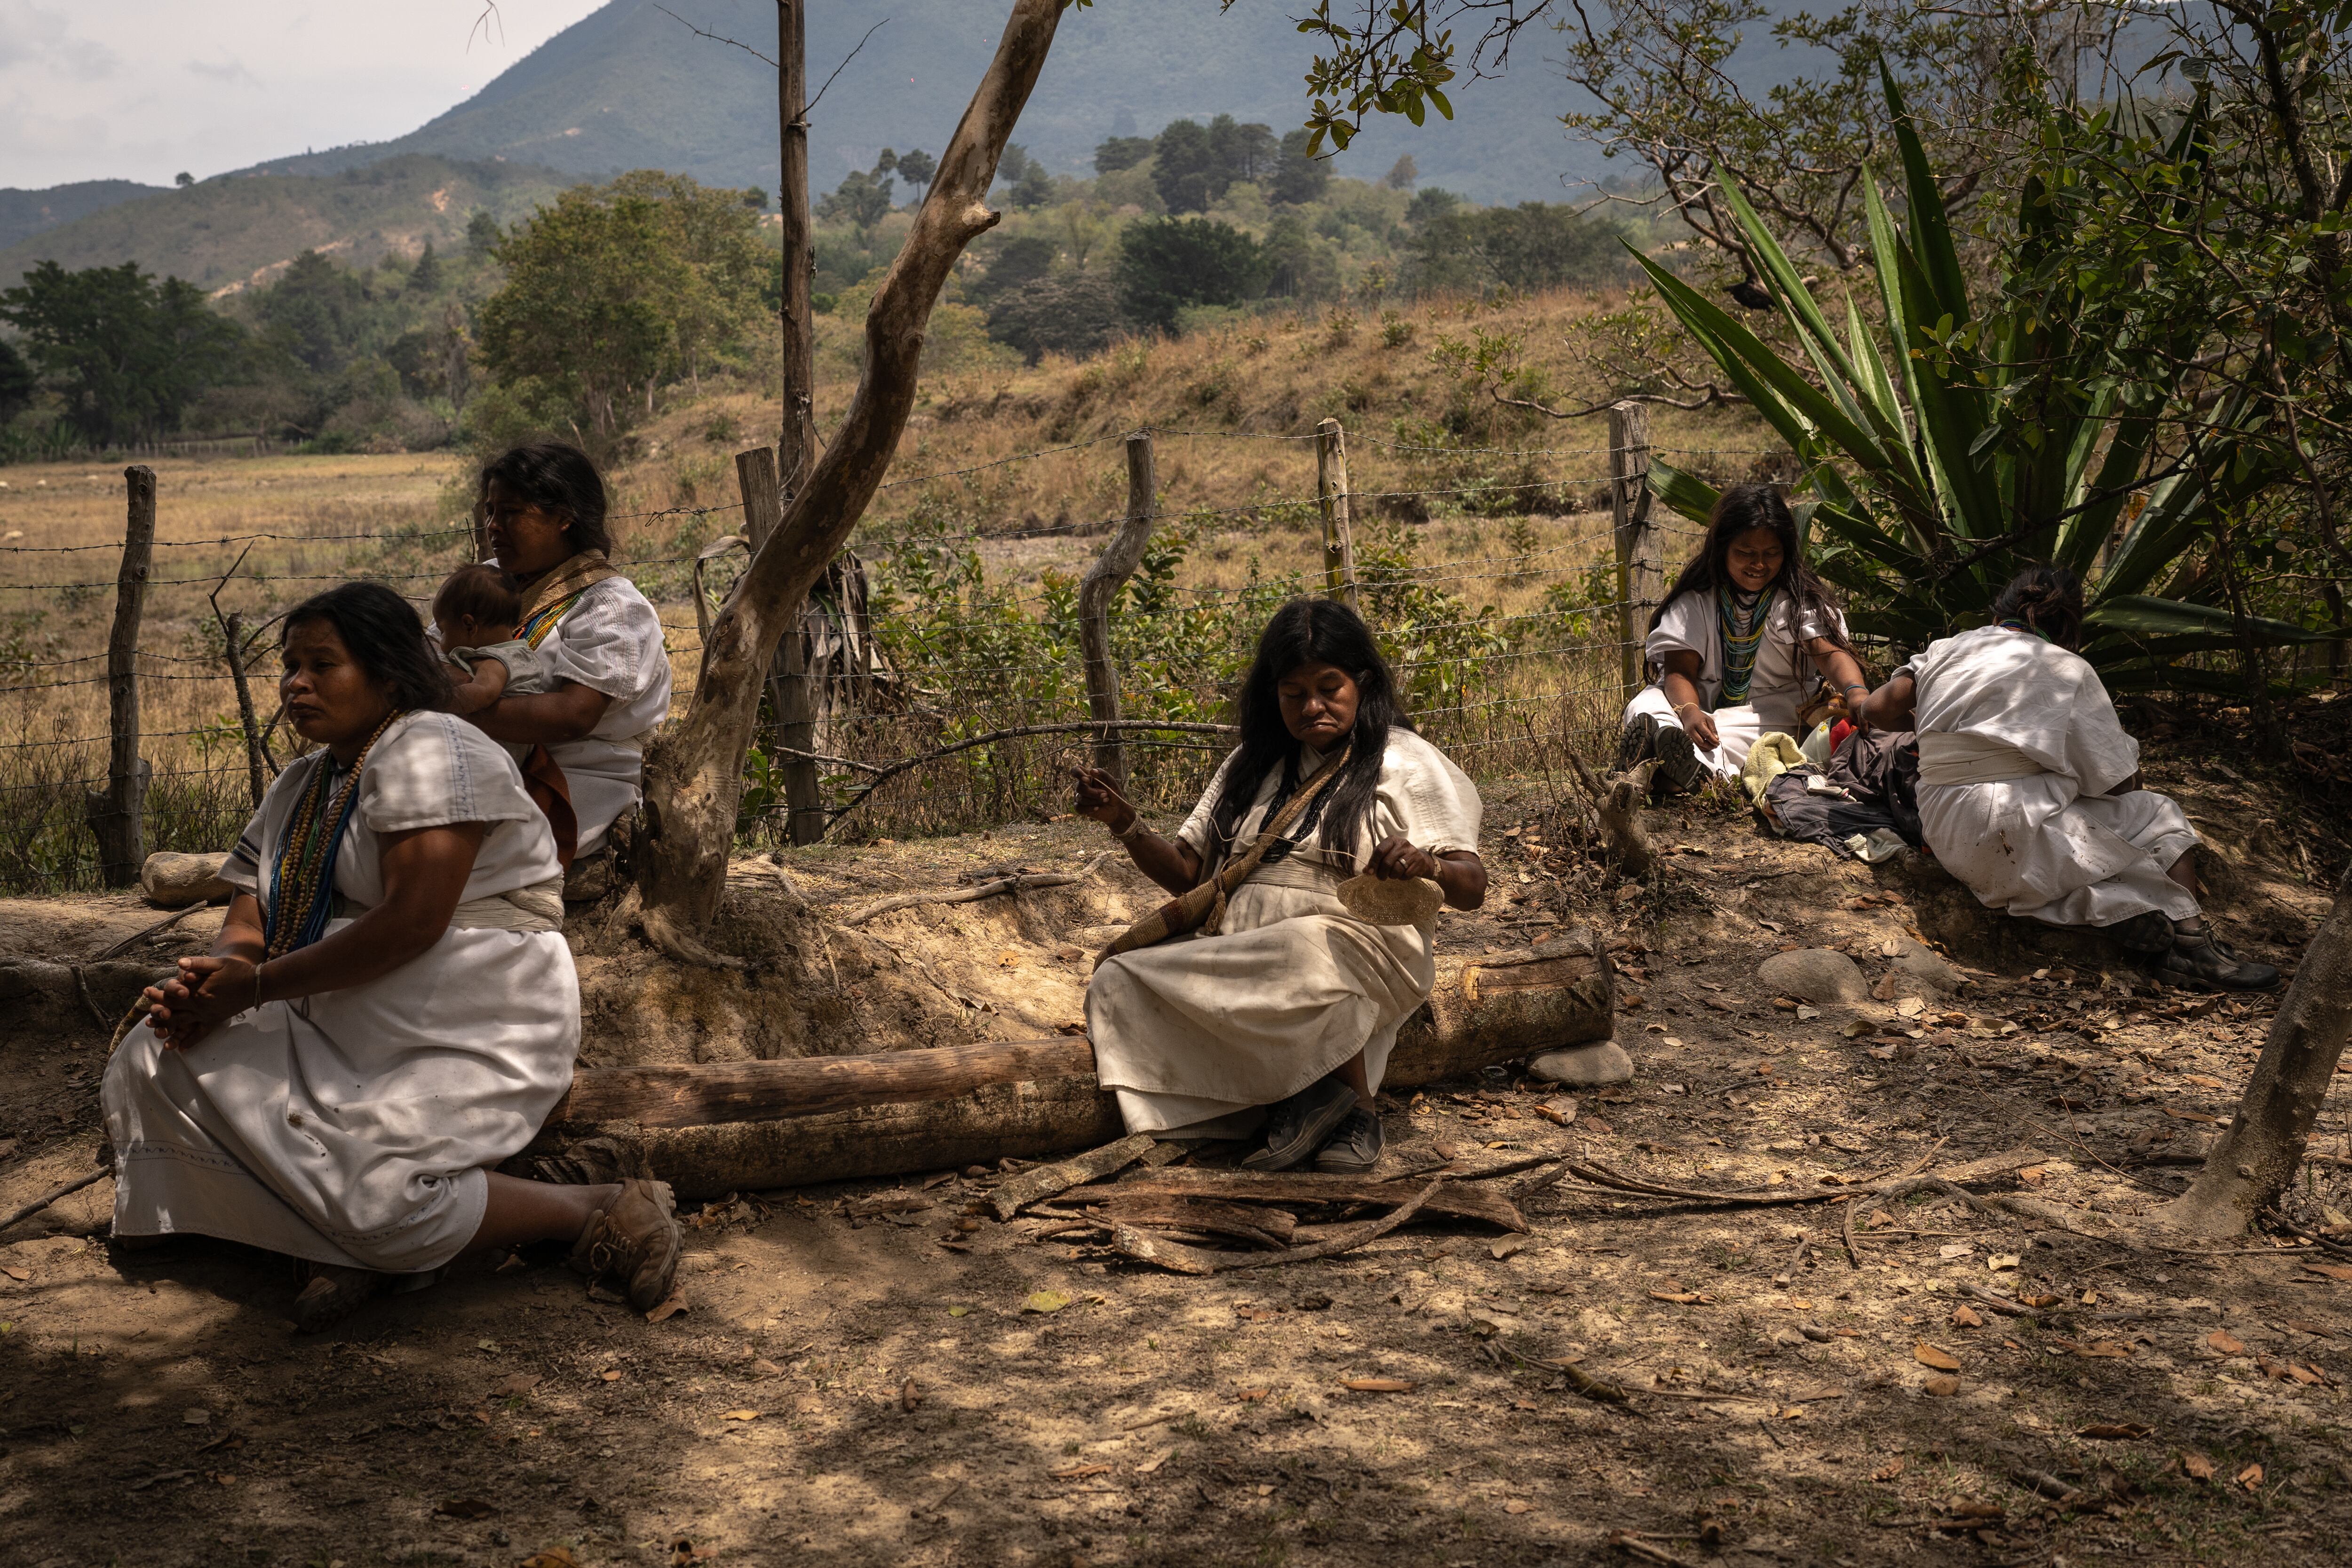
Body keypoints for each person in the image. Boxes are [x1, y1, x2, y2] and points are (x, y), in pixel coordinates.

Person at [100, 583, 683, 1331]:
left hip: (465, 1022)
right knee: (149, 1058)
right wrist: (213, 979)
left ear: (387, 674)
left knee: (385, 1201)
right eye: (290, 666)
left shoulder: (434, 745)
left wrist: (253, 990)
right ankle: (347, 1237)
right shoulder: (303, 783)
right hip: (341, 1016)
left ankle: (588, 1207)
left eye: (322, 664)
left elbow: (413, 920)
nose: (296, 684)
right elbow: (251, 912)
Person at [1073, 598, 1486, 1174]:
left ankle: (1355, 1111)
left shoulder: (1406, 761)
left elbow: (1473, 886)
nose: (1312, 706)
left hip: (1358, 946)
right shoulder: (1252, 763)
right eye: (1293, 693)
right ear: (1273, 695)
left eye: (1328, 687)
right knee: (1116, 980)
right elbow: (1190, 875)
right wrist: (1124, 822)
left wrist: (1427, 864)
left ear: (1362, 683)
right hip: (1242, 952)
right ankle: (1297, 1105)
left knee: (1303, 946)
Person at [1854, 566, 2278, 990]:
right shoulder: (2068, 667)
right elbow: (2119, 784)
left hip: (1947, 829)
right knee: (2156, 812)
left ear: (1998, 611)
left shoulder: (1947, 649)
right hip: (2014, 826)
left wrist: (1940, 728)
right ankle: (2191, 947)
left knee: (2039, 863)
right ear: (2070, 624)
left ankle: (2120, 912)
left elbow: (1875, 711)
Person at [460, 442, 672, 872]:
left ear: (564, 517)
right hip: (487, 769)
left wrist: (452, 707)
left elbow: (575, 714)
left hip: (575, 785)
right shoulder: (491, 585)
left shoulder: (612, 607)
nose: (494, 527)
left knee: (451, 868)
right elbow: (432, 649)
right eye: (490, 512)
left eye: (512, 512)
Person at [1619, 484, 1870, 793]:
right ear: (1722, 548)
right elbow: (1680, 672)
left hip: (1769, 709)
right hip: (1690, 705)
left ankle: (1669, 765)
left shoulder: (1796, 603)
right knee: (1644, 705)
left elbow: (1830, 654)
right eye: (1746, 553)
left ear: (1786, 552)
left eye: (1771, 554)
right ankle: (1667, 751)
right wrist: (1689, 711)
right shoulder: (1696, 601)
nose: (1759, 565)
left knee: (1726, 732)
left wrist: (1856, 691)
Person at [431, 563, 549, 717]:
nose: (440, 639)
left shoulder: (497, 661)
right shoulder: (501, 652)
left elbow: (482, 693)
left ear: (469, 626)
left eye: (443, 632)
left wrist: (431, 702)